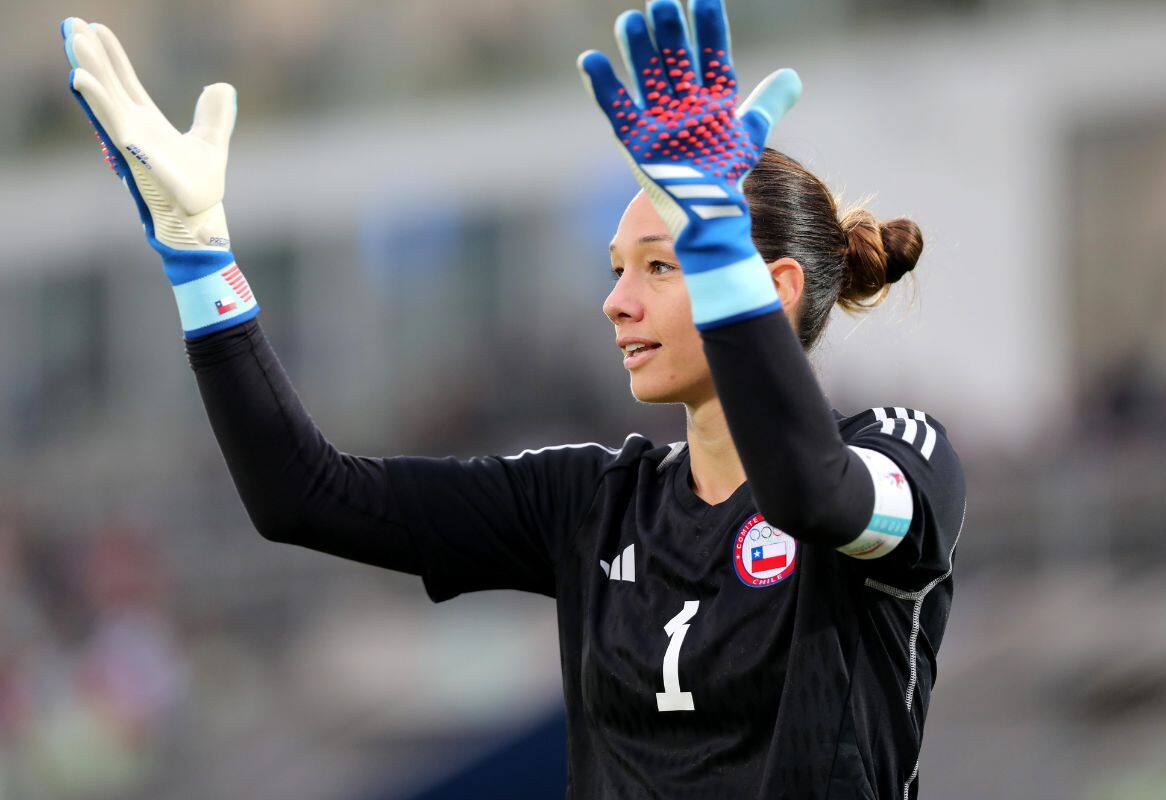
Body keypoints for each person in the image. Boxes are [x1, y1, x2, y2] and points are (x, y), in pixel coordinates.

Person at [59, 0, 967, 797]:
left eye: (661, 266)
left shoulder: (901, 453)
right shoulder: (593, 503)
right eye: (617, 270)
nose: (618, 300)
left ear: (770, 287)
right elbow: (304, 496)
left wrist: (718, 250)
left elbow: (809, 492)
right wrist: (199, 260)